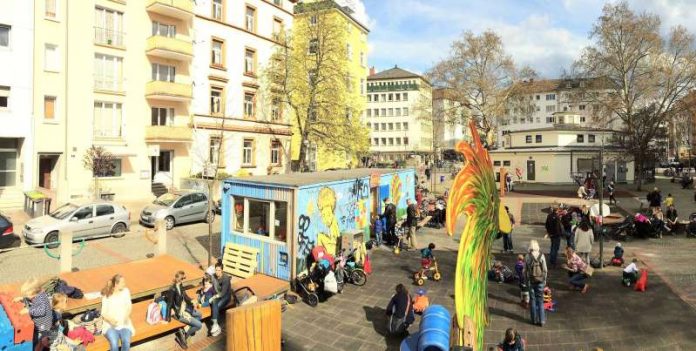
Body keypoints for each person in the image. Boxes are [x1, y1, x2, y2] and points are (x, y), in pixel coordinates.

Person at [167, 271, 202, 349]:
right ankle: (184, 336)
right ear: (180, 279)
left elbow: (185, 297)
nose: (184, 280)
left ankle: (186, 330)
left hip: (184, 308)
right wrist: (167, 319)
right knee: (199, 325)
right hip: (179, 313)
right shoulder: (172, 289)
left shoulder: (180, 286)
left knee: (199, 314)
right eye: (183, 278)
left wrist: (192, 301)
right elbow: (169, 304)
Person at [14, 278, 52, 349]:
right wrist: (21, 298)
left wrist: (29, 310)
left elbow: (42, 311)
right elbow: (29, 298)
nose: (27, 296)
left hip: (43, 326)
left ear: (34, 292)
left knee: (40, 341)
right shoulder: (35, 295)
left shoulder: (42, 299)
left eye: (27, 295)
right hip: (38, 323)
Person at [100, 274, 134, 351]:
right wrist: (110, 320)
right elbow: (103, 312)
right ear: (116, 284)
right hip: (110, 325)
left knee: (126, 341)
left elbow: (129, 306)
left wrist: (126, 316)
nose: (124, 284)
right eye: (122, 282)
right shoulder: (107, 295)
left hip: (124, 323)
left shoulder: (126, 291)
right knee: (114, 343)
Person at [524, 240, 547, 327]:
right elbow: (545, 270)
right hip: (540, 281)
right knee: (540, 301)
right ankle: (542, 320)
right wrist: (544, 281)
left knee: (532, 300)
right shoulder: (542, 256)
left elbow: (524, 270)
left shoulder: (527, 256)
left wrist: (526, 281)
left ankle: (534, 320)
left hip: (531, 280)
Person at [209, 263, 231, 337]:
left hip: (225, 296)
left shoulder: (226, 278)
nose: (217, 272)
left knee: (216, 305)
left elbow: (223, 293)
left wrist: (214, 297)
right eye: (216, 270)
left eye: (219, 270)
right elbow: (209, 285)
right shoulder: (213, 276)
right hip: (217, 295)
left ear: (222, 270)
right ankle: (216, 325)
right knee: (214, 303)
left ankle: (215, 325)